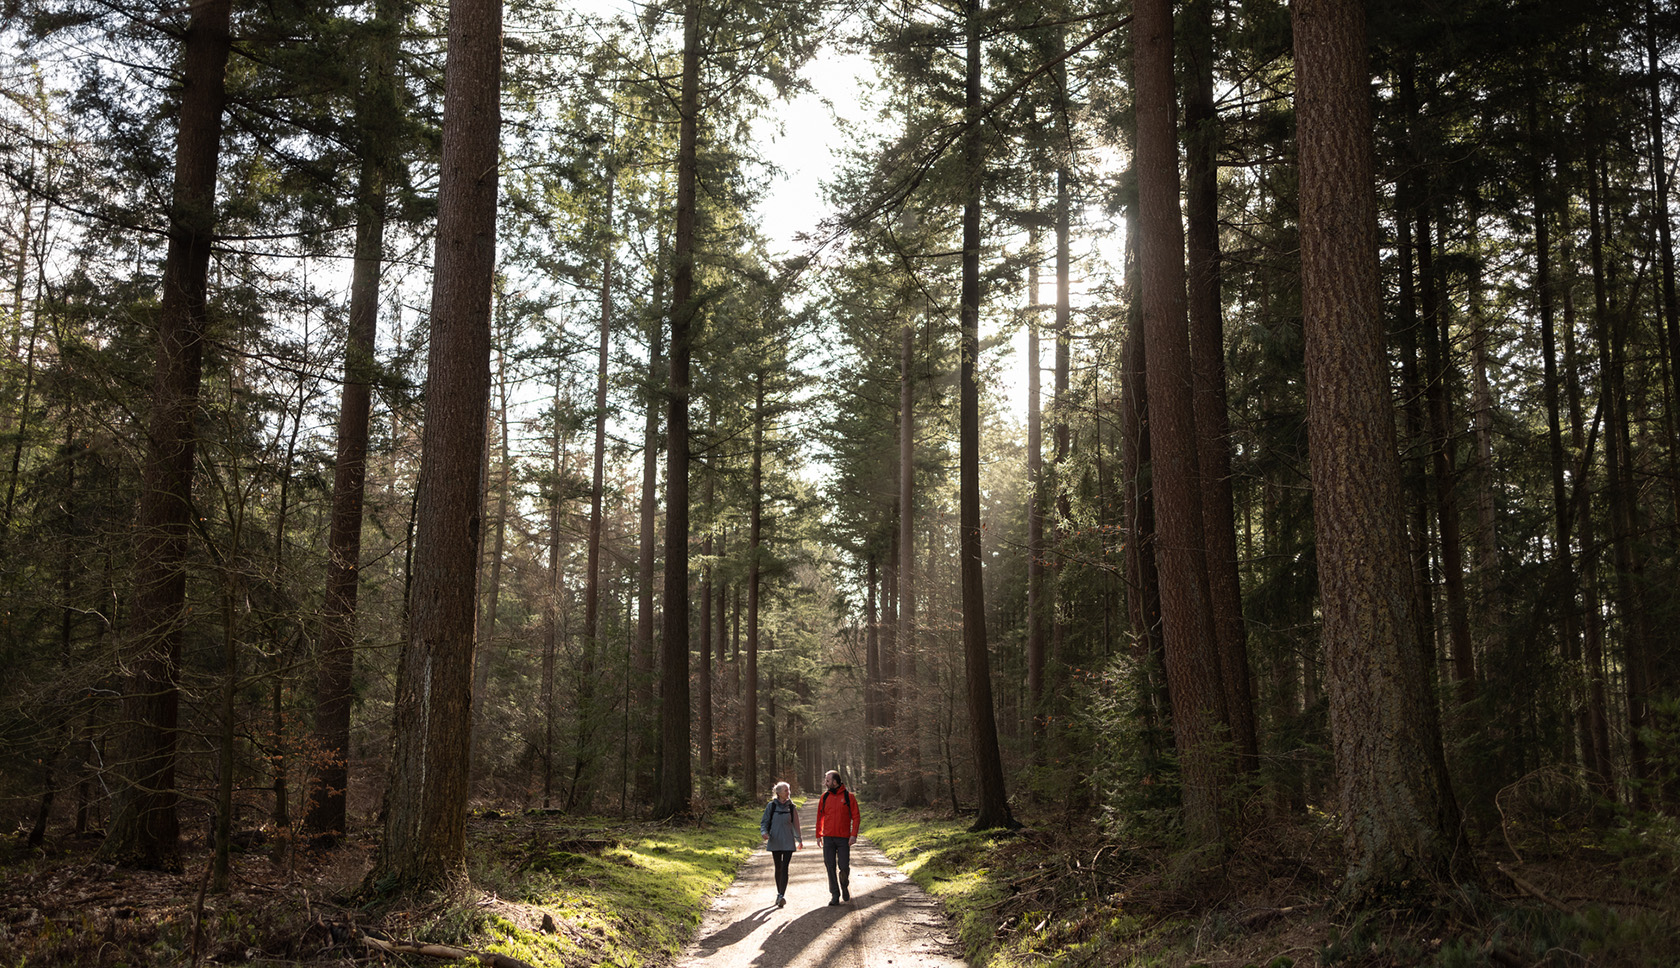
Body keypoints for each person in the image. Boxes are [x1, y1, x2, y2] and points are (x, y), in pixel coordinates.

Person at [814, 769, 860, 905]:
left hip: (843, 838)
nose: (825, 783)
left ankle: (844, 885)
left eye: (827, 780)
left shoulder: (848, 797)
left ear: (834, 781)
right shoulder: (824, 797)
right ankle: (835, 894)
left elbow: (856, 817)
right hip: (828, 837)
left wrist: (853, 835)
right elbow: (820, 817)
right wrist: (818, 835)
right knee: (830, 865)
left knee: (843, 866)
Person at [759, 781, 803, 907]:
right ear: (778, 793)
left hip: (788, 841)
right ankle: (779, 893)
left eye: (788, 790)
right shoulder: (771, 806)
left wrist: (799, 840)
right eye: (785, 791)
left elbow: (796, 825)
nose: (788, 793)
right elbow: (764, 822)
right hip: (775, 841)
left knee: (785, 868)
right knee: (778, 867)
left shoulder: (791, 807)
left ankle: (781, 895)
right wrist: (764, 832)